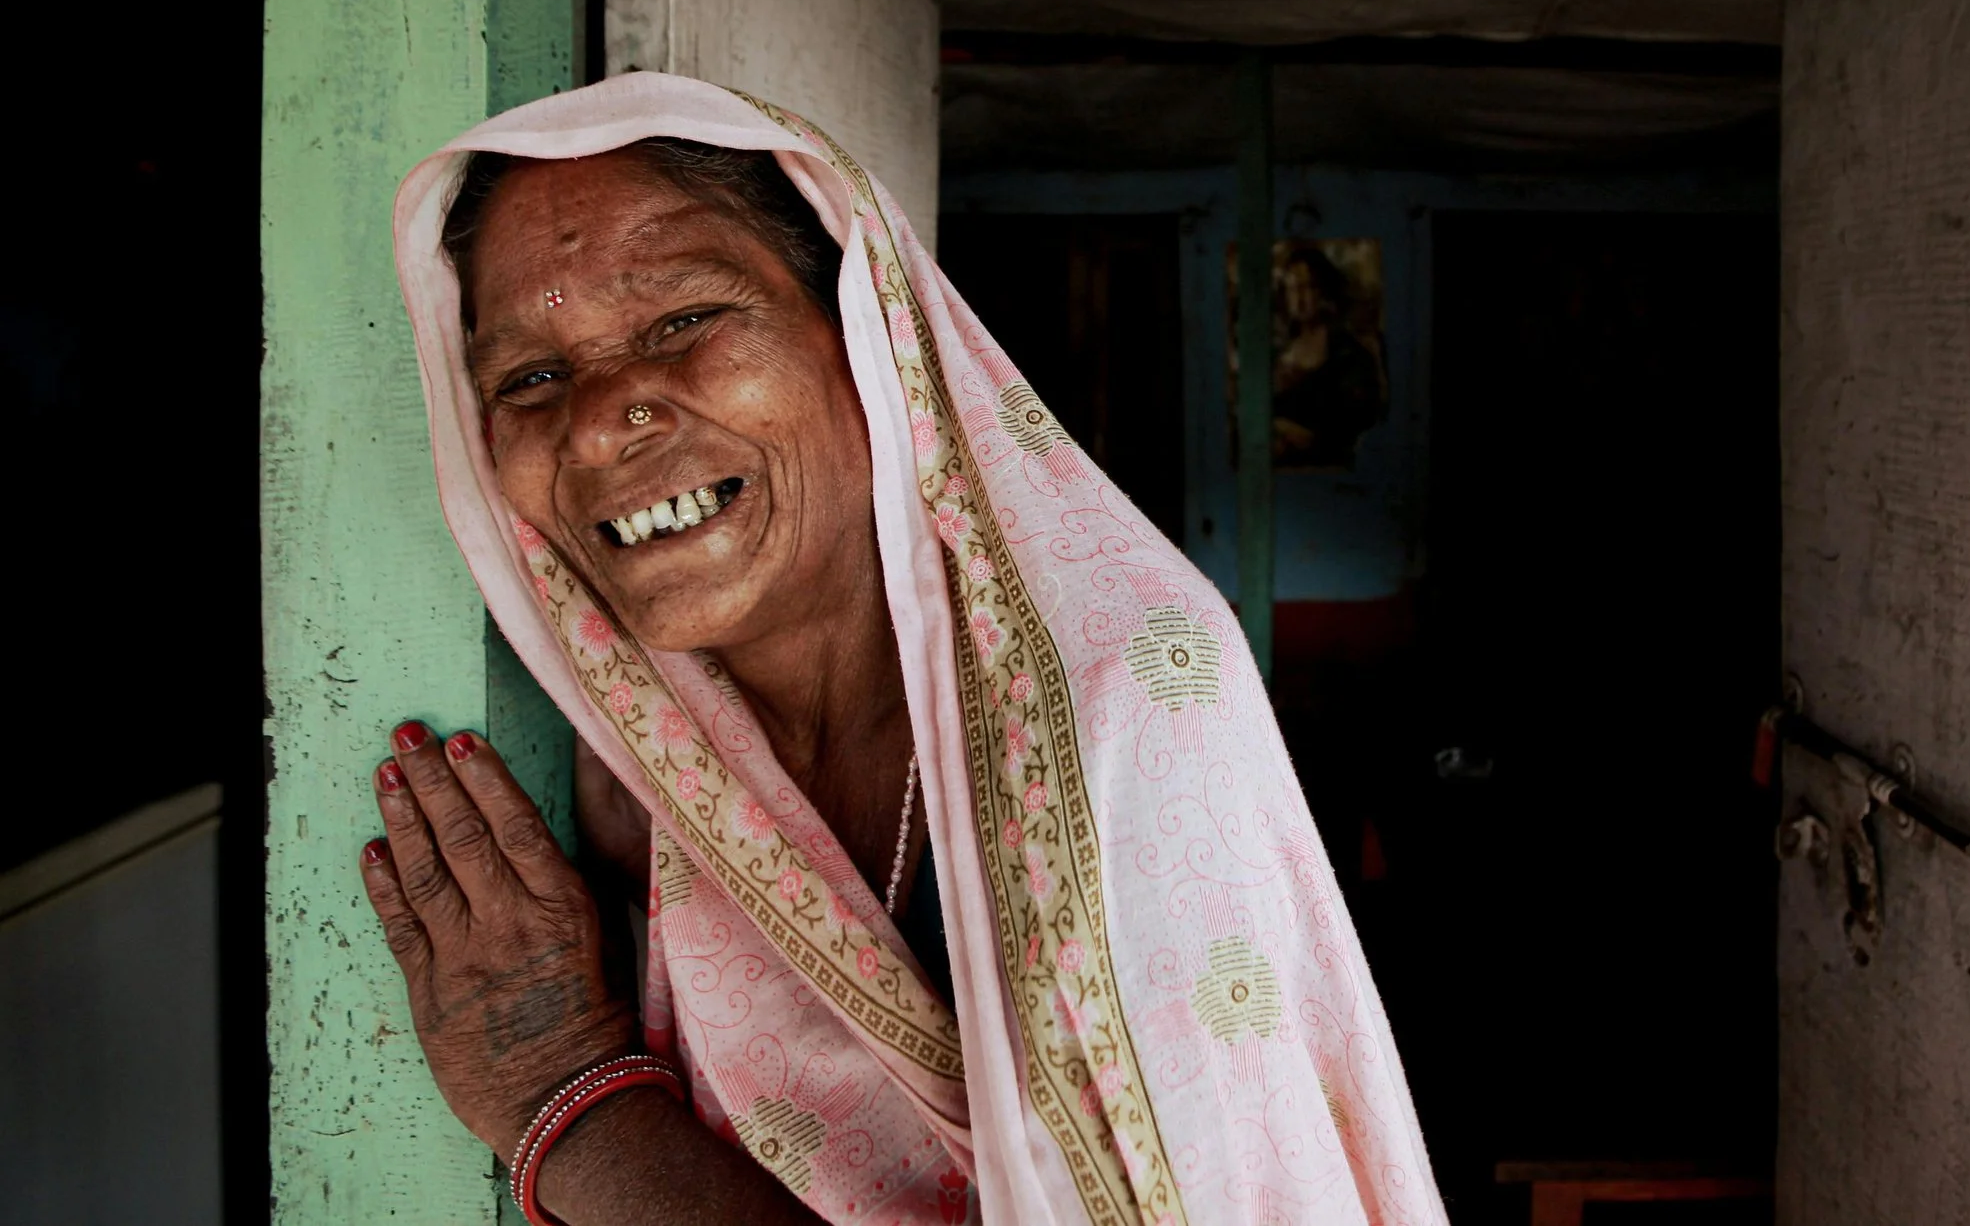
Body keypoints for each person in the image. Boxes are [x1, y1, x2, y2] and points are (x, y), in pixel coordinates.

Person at [370, 72, 1441, 1226]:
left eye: (683, 320)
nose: (595, 417)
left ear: (871, 337)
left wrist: (568, 1097)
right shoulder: (666, 769)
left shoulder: (1123, 705)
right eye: (529, 377)